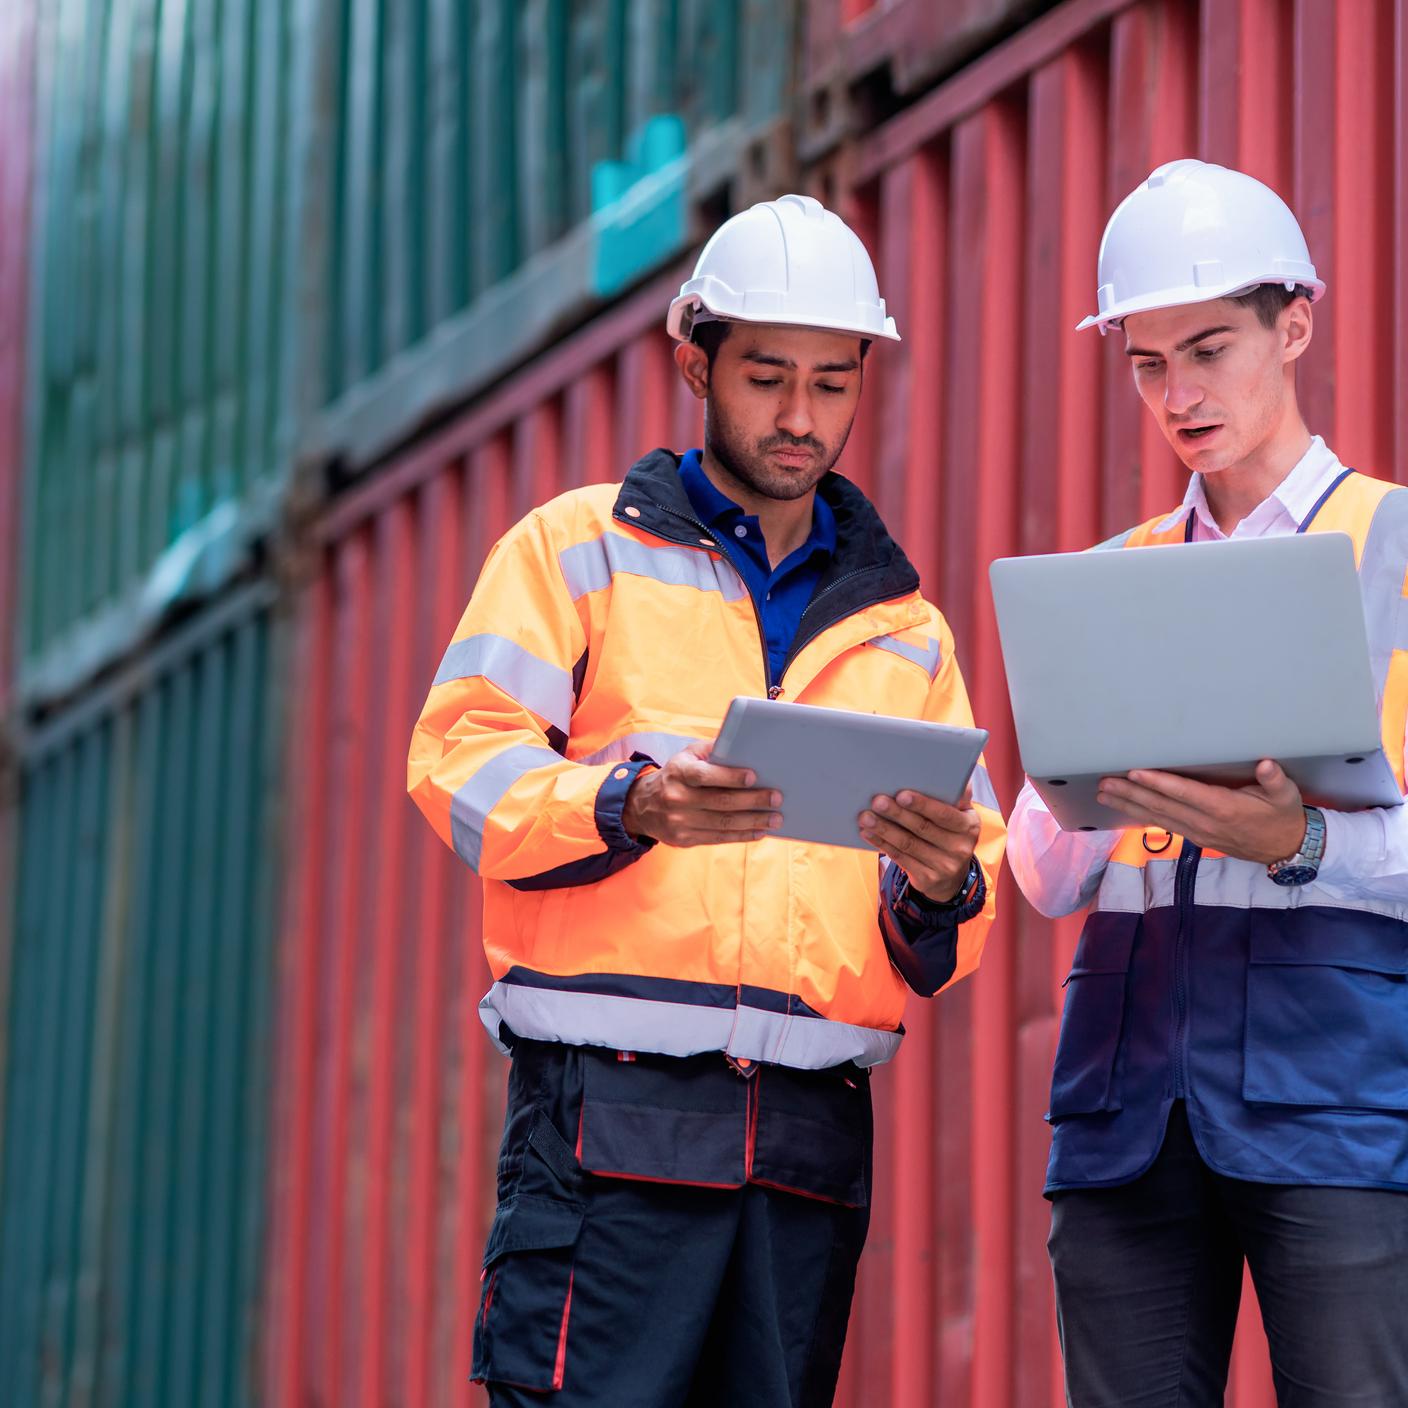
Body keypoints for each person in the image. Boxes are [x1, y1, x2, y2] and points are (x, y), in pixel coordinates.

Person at [407, 193, 1006, 1406]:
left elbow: (964, 878)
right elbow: (458, 761)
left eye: (832, 383)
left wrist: (942, 880)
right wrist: (626, 806)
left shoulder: (908, 631)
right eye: (767, 377)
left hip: (804, 1148)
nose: (799, 417)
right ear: (696, 363)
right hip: (608, 1126)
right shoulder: (576, 551)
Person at [1007, 159, 1408, 1406]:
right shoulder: (1109, 579)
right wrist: (1085, 782)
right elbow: (1042, 875)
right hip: (1128, 1113)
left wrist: (1301, 844)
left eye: (1210, 348)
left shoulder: (1393, 548)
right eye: (1146, 362)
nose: (1177, 395)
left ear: (1295, 325)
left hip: (1341, 1104)